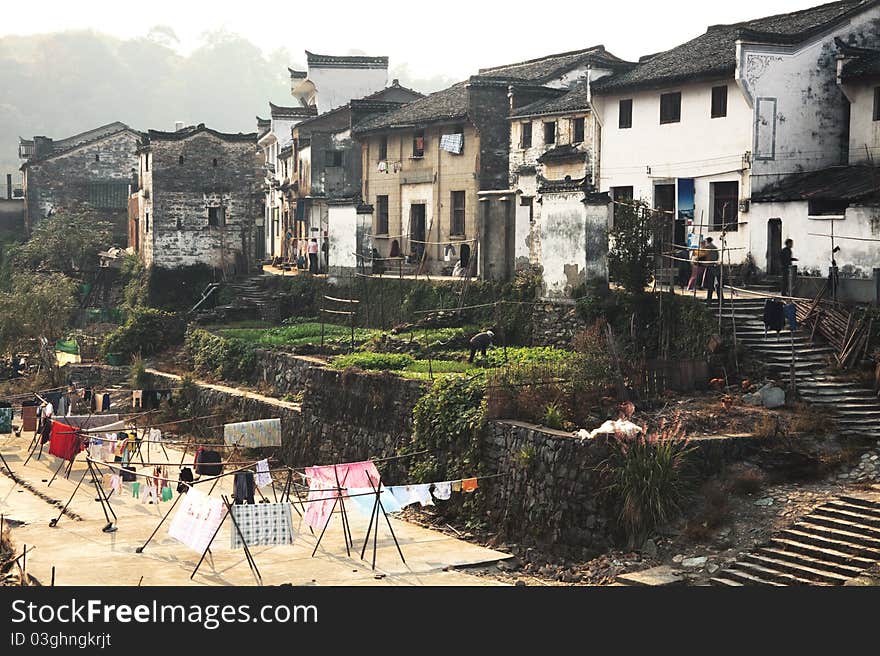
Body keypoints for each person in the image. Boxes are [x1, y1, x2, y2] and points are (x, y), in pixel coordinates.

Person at [701, 236, 721, 304]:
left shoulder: (706, 248)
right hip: (716, 267)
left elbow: (701, 257)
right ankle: (721, 300)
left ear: (707, 241)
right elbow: (717, 257)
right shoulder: (715, 248)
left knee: (710, 285)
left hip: (709, 267)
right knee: (718, 285)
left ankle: (709, 300)